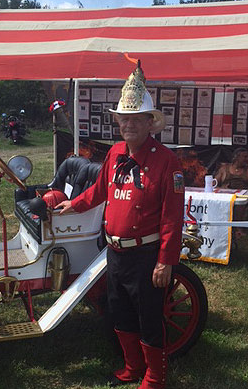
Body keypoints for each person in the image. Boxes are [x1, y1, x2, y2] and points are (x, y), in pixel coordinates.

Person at [57, 62, 184, 389]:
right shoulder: (114, 153)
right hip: (114, 253)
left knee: (149, 319)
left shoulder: (167, 162)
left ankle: (155, 377)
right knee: (120, 313)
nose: (128, 124)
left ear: (149, 123)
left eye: (135, 119)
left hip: (146, 257)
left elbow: (173, 215)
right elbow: (99, 191)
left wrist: (166, 260)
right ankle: (132, 367)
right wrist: (74, 204)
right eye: (123, 118)